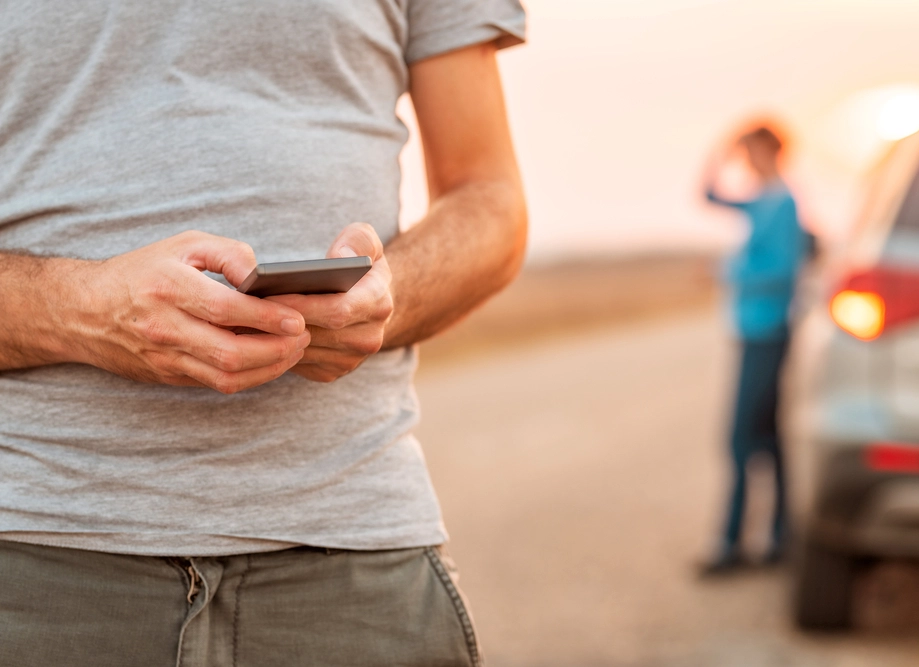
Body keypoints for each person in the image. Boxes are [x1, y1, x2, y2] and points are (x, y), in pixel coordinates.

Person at [0, 2, 526, 665]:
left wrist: (387, 298)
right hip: (31, 559)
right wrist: (77, 310)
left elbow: (491, 202)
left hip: (355, 560)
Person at [700, 123, 808, 575]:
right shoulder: (761, 200)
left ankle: (731, 545)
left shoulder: (781, 203)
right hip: (754, 329)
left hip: (768, 331)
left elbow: (785, 269)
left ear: (770, 149)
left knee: (742, 438)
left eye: (750, 151)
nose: (746, 160)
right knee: (768, 436)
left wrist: (730, 271)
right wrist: (719, 152)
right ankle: (780, 537)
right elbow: (708, 196)